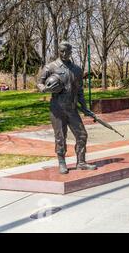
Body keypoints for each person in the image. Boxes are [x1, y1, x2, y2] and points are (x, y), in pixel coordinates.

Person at [37, 42, 96, 174]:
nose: (64, 54)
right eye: (62, 51)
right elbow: (39, 83)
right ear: (59, 51)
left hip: (72, 108)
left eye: (67, 52)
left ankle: (81, 162)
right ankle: (62, 162)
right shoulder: (50, 67)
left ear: (71, 52)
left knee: (82, 135)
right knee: (60, 137)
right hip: (57, 108)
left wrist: (85, 108)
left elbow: (80, 91)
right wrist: (45, 89)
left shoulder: (77, 69)